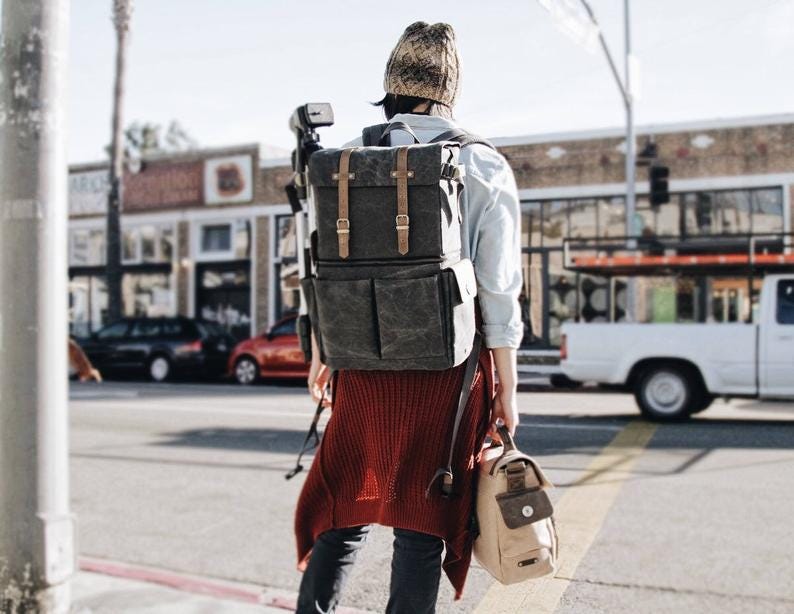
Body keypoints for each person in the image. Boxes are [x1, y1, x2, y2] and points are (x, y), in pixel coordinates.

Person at [294, 21, 523, 614]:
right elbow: (498, 288)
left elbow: (321, 265)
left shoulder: (345, 161)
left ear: (390, 88)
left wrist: (322, 352)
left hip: (362, 362)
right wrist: (507, 386)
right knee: (423, 522)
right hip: (448, 368)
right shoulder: (482, 163)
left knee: (345, 507)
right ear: (449, 92)